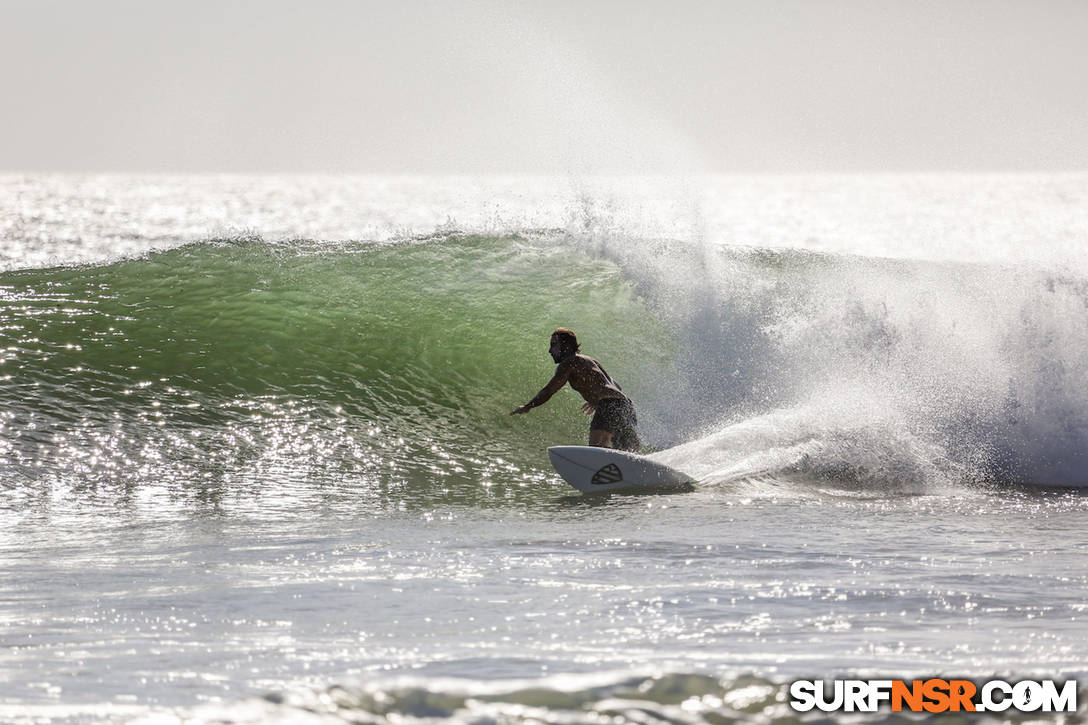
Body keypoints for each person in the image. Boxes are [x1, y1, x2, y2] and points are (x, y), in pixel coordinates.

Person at [510, 328, 641, 451]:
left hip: (609, 406)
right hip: (626, 406)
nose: (550, 350)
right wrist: (597, 397)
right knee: (627, 454)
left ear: (566, 346)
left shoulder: (568, 363)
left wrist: (529, 405)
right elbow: (615, 386)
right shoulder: (589, 360)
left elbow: (549, 390)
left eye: (553, 345)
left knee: (597, 451)